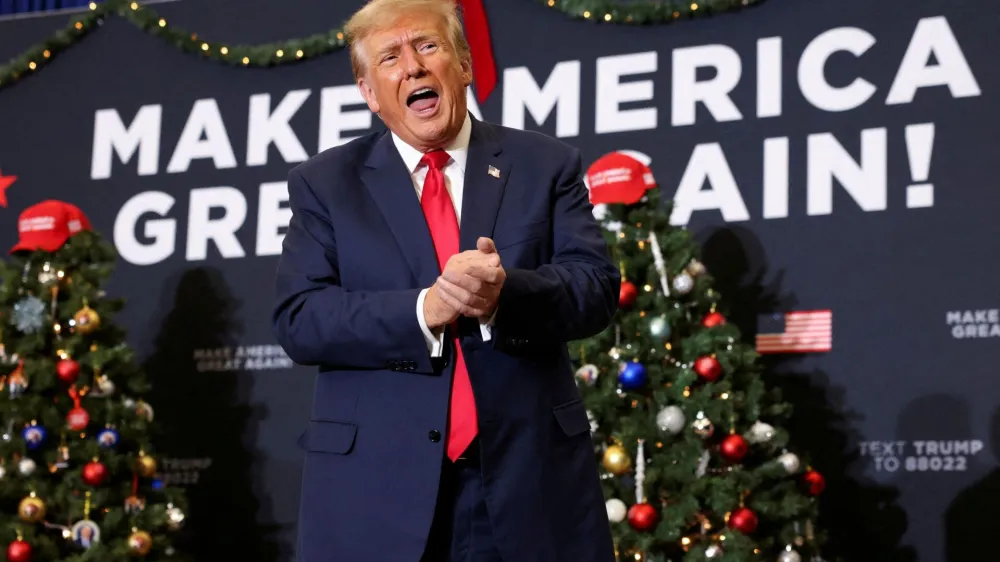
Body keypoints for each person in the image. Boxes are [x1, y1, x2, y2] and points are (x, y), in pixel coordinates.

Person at [271, 0, 620, 560]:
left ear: (462, 64)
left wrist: (503, 294)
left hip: (523, 483)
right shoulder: (325, 184)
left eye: (427, 46)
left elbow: (595, 288)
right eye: (390, 56)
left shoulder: (544, 164)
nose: (412, 66)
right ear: (369, 91)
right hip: (375, 492)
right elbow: (301, 318)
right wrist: (424, 309)